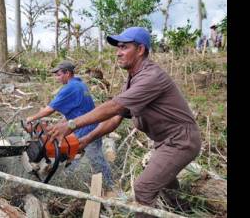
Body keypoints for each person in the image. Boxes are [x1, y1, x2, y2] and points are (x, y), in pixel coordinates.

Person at [47, 27, 202, 217]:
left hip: (181, 141)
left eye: (124, 47)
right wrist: (85, 140)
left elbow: (114, 107)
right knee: (165, 185)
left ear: (140, 50)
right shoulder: (132, 80)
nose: (118, 53)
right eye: (117, 48)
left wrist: (71, 125)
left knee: (143, 187)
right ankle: (182, 212)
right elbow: (115, 119)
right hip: (166, 142)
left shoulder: (151, 77)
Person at [25, 60, 116, 196]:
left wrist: (30, 119)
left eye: (59, 74)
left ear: (67, 73)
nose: (57, 78)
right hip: (85, 125)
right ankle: (67, 180)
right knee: (75, 156)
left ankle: (111, 188)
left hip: (86, 129)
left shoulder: (70, 88)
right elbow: (75, 109)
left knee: (94, 158)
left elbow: (49, 109)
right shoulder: (80, 84)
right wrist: (61, 124)